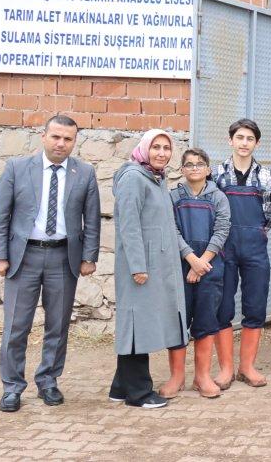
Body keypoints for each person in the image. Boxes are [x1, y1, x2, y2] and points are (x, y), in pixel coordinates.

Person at [0, 115, 101, 412]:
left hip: (63, 258)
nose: (61, 144)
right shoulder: (17, 168)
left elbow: (92, 220)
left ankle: (48, 380)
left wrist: (89, 257)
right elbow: (0, 214)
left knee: (58, 325)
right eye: (56, 137)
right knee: (16, 325)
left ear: (74, 141)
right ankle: (12, 387)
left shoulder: (85, 173)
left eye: (68, 139)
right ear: (44, 136)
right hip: (23, 257)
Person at [109, 130, 186, 409]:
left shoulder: (156, 178)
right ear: (144, 149)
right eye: (156, 147)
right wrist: (138, 266)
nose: (162, 153)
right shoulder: (133, 178)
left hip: (154, 265)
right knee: (136, 326)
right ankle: (139, 393)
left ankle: (120, 387)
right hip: (139, 267)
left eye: (166, 148)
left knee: (138, 324)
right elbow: (128, 226)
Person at [212, 118, 271, 389]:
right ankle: (226, 369)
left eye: (249, 139)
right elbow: (212, 210)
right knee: (223, 306)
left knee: (255, 306)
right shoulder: (217, 174)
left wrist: (256, 232)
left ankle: (247, 367)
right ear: (231, 140)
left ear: (256, 143)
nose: (244, 143)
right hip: (224, 247)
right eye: (239, 137)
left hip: (255, 247)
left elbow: (270, 214)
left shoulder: (267, 176)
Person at [161, 148, 231, 399]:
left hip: (211, 267)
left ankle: (202, 376)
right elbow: (171, 230)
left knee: (206, 321)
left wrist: (202, 262)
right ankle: (176, 377)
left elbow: (223, 229)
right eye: (188, 164)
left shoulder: (218, 197)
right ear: (181, 169)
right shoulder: (172, 197)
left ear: (208, 169)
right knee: (178, 321)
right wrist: (191, 259)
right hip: (180, 265)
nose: (194, 168)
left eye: (199, 164)